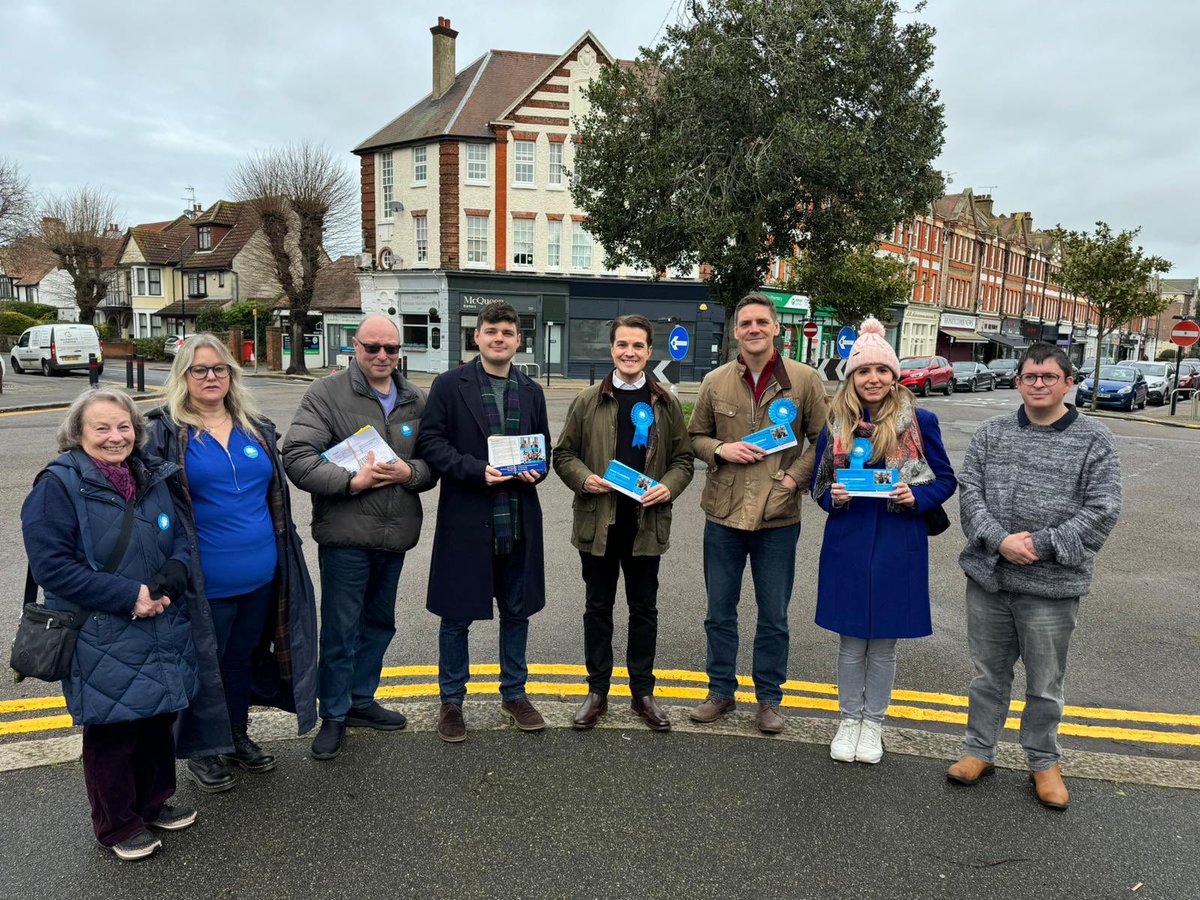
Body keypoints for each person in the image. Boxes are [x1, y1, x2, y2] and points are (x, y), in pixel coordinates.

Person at [20, 389, 202, 860]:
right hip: (100, 628)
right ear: (78, 434)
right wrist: (129, 597)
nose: (115, 436)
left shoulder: (151, 475)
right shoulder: (57, 486)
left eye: (123, 426)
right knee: (114, 729)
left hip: (160, 618)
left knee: (159, 717)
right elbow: (52, 568)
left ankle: (153, 802)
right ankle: (117, 824)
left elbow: (179, 536)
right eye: (101, 428)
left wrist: (175, 574)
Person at [948, 342, 1121, 810]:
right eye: (1030, 376)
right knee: (988, 675)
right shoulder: (991, 433)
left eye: (1049, 376)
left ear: (1068, 382)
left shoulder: (1093, 438)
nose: (1039, 384)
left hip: (1052, 588)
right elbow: (971, 496)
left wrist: (1038, 545)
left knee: (1044, 683)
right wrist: (1001, 541)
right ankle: (978, 751)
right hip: (990, 578)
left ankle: (1043, 761)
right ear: (1018, 381)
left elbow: (1104, 508)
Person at [145, 334, 318, 792]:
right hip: (205, 579)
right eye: (199, 369)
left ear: (232, 375)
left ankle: (235, 735)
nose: (210, 377)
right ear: (183, 376)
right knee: (206, 663)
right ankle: (203, 748)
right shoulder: (164, 431)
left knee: (241, 660)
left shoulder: (254, 426)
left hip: (264, 574)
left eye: (219, 368)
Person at [282, 315, 434, 761]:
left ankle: (361, 701)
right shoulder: (325, 394)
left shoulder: (414, 400)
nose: (383, 356)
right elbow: (297, 457)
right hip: (346, 535)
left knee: (378, 624)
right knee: (341, 630)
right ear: (355, 346)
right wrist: (353, 481)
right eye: (373, 348)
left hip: (396, 533)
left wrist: (411, 472)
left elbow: (431, 463)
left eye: (391, 349)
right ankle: (333, 713)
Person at [809, 318, 957, 763]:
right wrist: (831, 497)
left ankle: (873, 725)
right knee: (852, 642)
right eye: (863, 371)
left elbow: (947, 480)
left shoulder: (921, 420)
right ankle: (848, 719)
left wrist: (917, 494)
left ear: (894, 377)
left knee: (885, 643)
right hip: (849, 541)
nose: (872, 379)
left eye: (881, 371)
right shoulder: (835, 422)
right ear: (851, 377)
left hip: (898, 540)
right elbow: (819, 485)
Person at [686, 292, 829, 733]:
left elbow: (824, 442)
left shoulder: (805, 381)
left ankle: (769, 699)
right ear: (736, 330)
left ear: (775, 329)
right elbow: (695, 437)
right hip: (723, 513)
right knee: (719, 611)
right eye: (745, 322)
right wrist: (721, 448)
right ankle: (721, 691)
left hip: (778, 515)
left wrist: (791, 481)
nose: (753, 329)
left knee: (774, 615)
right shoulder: (715, 382)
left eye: (761, 322)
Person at [416, 301, 552, 743]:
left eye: (507, 332)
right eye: (491, 330)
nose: (499, 338)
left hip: (517, 518)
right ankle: (451, 701)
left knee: (518, 612)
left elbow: (543, 450)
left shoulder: (531, 390)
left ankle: (514, 694)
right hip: (468, 516)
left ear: (517, 340)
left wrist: (538, 469)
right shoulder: (449, 385)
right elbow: (431, 443)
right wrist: (475, 470)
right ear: (477, 337)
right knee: (456, 616)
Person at [553, 315, 695, 731]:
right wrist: (583, 478)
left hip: (645, 523)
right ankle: (597, 692)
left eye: (637, 346)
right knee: (597, 608)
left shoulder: (665, 404)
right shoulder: (587, 401)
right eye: (621, 345)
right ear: (611, 349)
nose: (629, 352)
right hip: (599, 523)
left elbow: (684, 459)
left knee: (643, 610)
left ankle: (642, 694)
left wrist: (668, 487)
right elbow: (564, 455)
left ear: (649, 352)